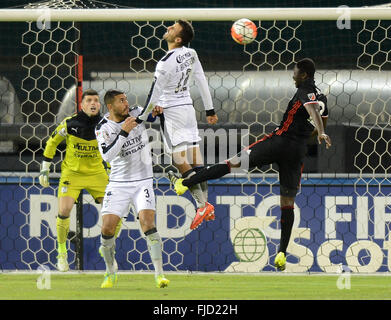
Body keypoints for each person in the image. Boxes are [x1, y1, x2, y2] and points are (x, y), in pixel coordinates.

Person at [168, 58, 332, 271]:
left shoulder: (305, 90)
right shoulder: (323, 97)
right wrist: (316, 133)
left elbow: (312, 110)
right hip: (297, 151)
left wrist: (321, 131)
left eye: (295, 71)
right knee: (287, 201)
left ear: (304, 74)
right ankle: (281, 253)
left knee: (232, 163)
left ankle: (185, 182)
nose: (293, 75)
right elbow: (320, 117)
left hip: (278, 142)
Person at [135, 19, 218, 231]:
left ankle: (202, 204)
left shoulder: (164, 62)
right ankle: (205, 204)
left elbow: (155, 92)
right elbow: (201, 80)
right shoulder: (191, 54)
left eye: (173, 28)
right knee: (194, 156)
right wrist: (209, 110)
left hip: (172, 114)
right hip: (188, 109)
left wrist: (142, 117)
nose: (169, 28)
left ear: (178, 39)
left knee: (179, 158)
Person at [39, 89, 122, 272]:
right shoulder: (70, 123)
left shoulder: (107, 124)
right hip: (72, 174)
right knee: (64, 210)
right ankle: (61, 253)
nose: (94, 103)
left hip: (97, 174)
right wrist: (45, 167)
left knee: (115, 214)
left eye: (96, 100)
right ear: (82, 105)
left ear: (100, 105)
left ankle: (108, 250)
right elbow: (52, 142)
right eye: (89, 100)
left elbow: (116, 147)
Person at [95, 89, 168, 289]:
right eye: (121, 101)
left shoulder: (136, 114)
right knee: (107, 228)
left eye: (126, 99)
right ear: (111, 106)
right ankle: (110, 273)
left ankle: (159, 275)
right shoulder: (103, 128)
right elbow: (107, 157)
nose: (126, 104)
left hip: (143, 180)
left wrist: (159, 110)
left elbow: (152, 111)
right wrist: (124, 132)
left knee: (148, 223)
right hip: (118, 183)